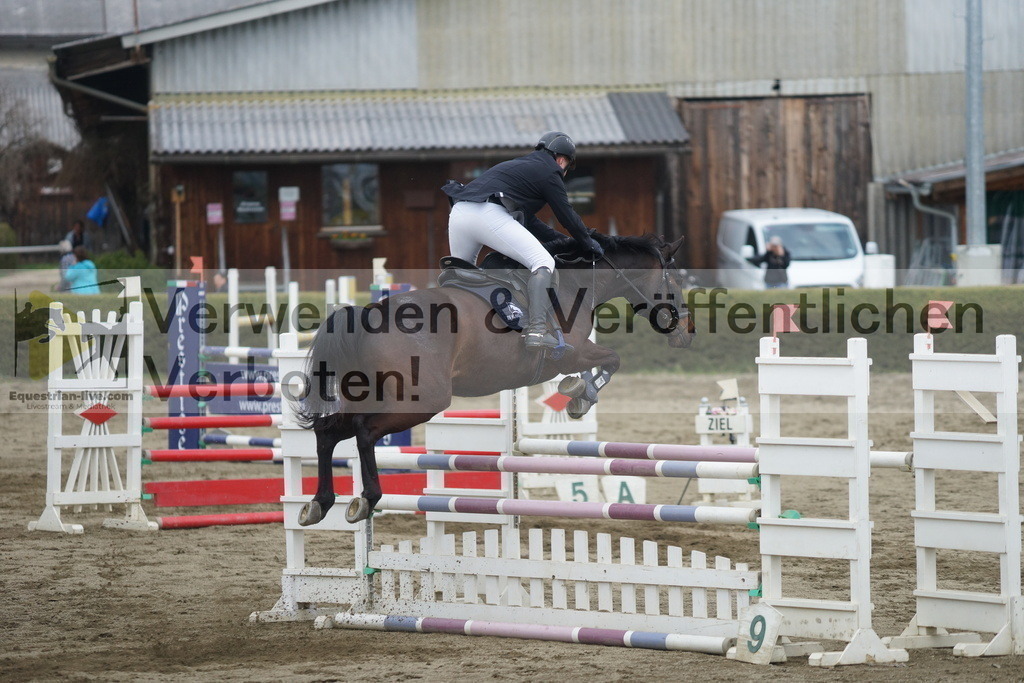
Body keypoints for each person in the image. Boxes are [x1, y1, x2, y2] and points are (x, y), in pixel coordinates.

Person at [442, 131, 604, 350]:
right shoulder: (550, 171)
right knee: (543, 263)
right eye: (566, 166)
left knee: (463, 277)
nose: (564, 172)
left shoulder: (520, 166)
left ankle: (451, 326)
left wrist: (565, 241)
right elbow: (566, 215)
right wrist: (588, 243)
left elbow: (530, 222)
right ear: (562, 160)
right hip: (487, 213)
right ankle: (537, 330)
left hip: (460, 213)